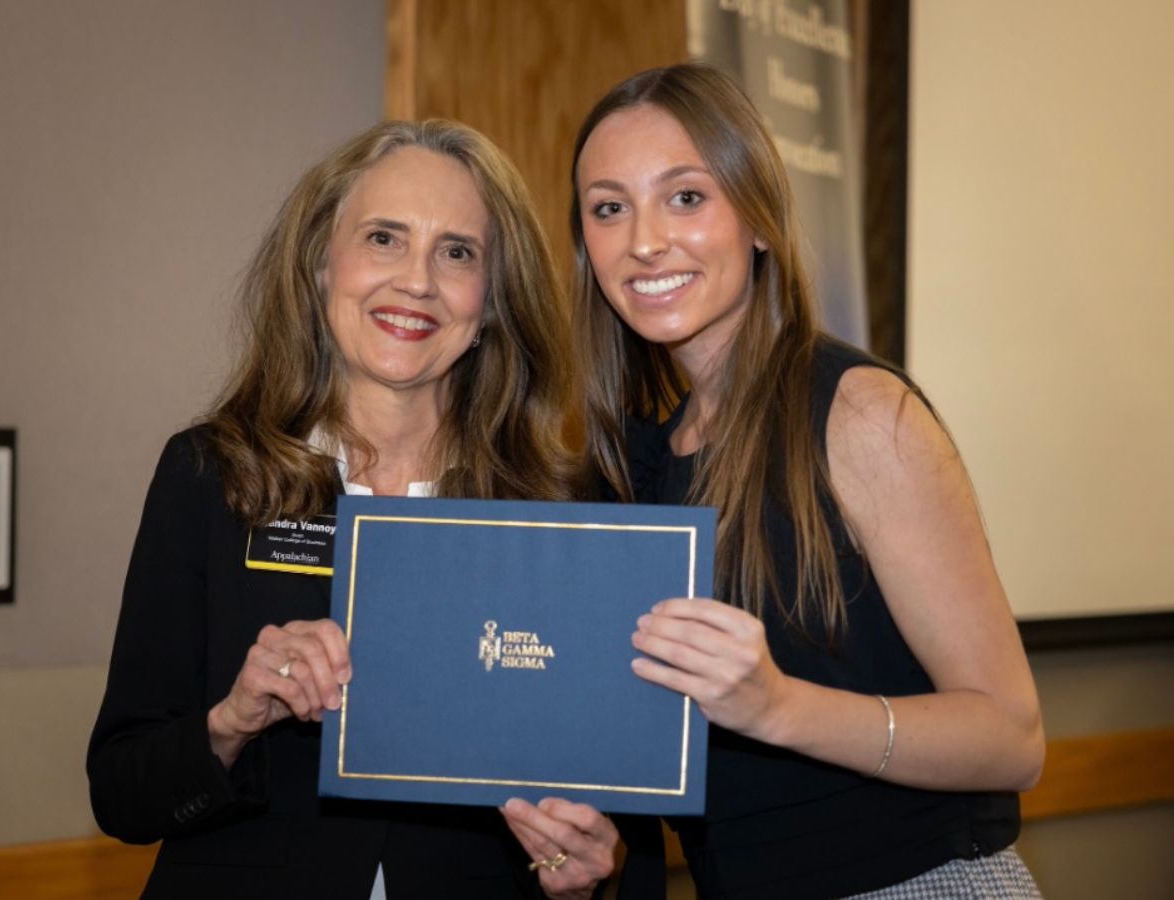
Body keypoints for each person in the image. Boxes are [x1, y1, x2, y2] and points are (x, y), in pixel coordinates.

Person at [88, 119, 617, 900]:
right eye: (383, 238)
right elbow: (121, 792)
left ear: (494, 301)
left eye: (458, 252)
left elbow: (616, 823)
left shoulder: (558, 512)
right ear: (319, 264)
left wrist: (589, 879)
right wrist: (234, 719)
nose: (417, 281)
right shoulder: (211, 474)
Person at [570, 64, 1046, 898]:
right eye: (610, 208)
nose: (644, 239)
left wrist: (779, 706)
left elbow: (1012, 736)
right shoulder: (629, 471)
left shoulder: (859, 414)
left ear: (756, 218)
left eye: (686, 196)